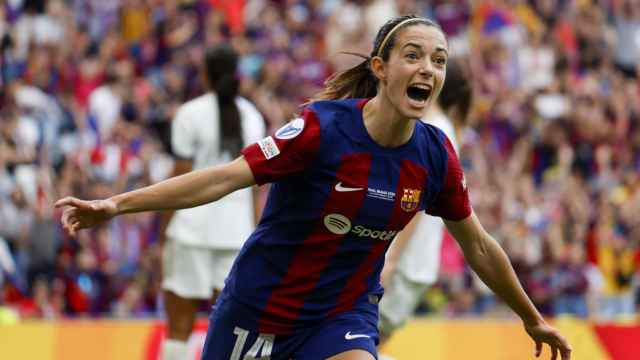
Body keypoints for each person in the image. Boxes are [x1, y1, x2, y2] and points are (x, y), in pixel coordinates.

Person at [56, 15, 572, 360]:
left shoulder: (435, 154)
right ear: (380, 68)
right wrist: (117, 204)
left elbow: (478, 244)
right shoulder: (320, 129)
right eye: (413, 55)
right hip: (259, 309)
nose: (428, 69)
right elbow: (221, 179)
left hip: (342, 316)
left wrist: (532, 318)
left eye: (439, 61)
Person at [158, 44, 265, 360]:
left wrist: (164, 230)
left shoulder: (189, 114)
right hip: (234, 236)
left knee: (179, 328)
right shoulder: (253, 117)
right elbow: (257, 183)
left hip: (189, 232)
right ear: (237, 76)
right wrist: (254, 231)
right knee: (231, 329)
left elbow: (178, 180)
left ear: (204, 74)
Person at [377, 57, 472, 348]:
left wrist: (389, 261)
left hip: (403, 262)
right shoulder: (440, 128)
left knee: (358, 344)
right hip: (414, 262)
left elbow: (413, 203)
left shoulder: (433, 130)